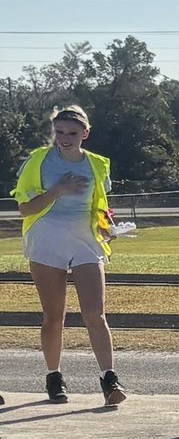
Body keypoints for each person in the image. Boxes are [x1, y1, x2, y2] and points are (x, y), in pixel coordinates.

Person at [10, 105, 126, 405]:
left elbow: (99, 205)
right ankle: (54, 376)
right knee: (54, 317)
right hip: (46, 240)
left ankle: (109, 378)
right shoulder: (39, 160)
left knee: (95, 314)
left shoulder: (97, 164)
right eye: (60, 132)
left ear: (84, 134)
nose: (64, 138)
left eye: (72, 133)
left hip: (84, 242)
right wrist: (58, 190)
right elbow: (25, 209)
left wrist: (107, 227)